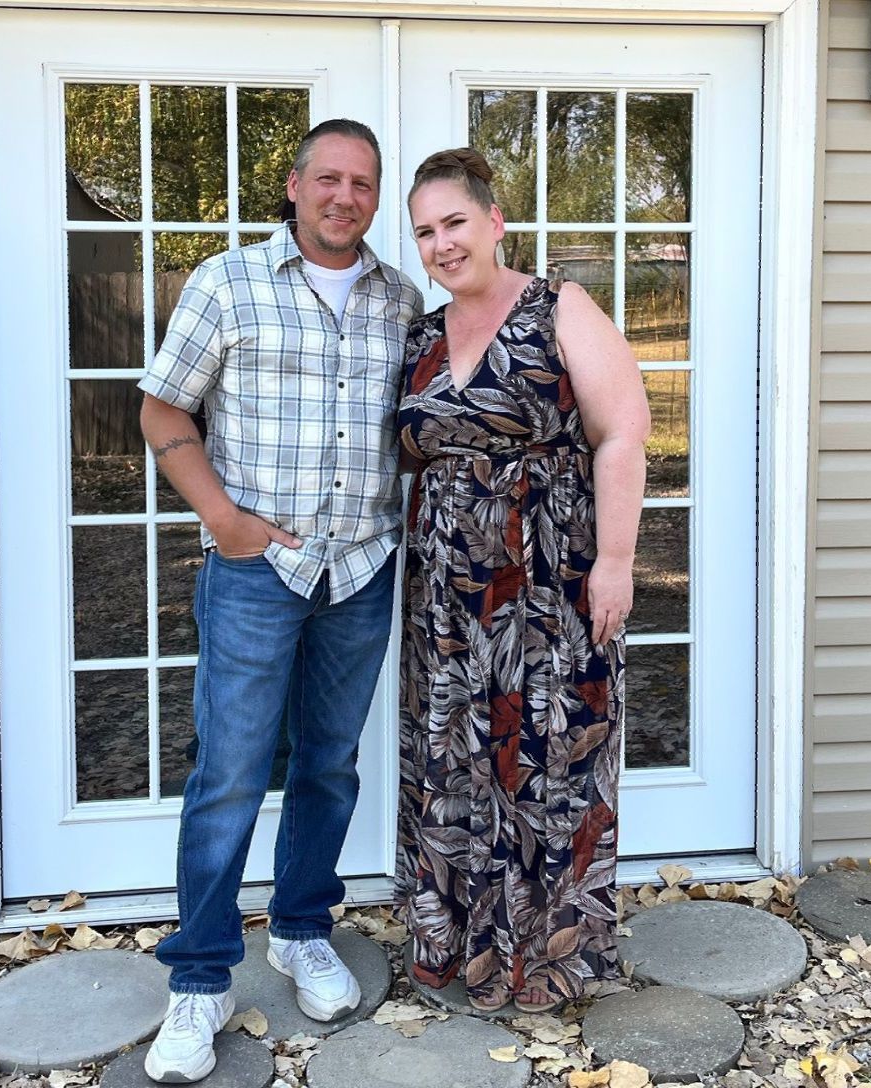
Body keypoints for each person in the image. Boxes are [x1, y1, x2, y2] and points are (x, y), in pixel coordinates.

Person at [138, 118, 422, 1082]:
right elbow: (162, 406)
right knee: (228, 770)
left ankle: (302, 930)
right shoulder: (228, 282)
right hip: (258, 570)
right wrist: (222, 518)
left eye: (364, 183)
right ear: (295, 186)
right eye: (329, 178)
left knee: (329, 765)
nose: (346, 196)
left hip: (363, 567)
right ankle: (200, 977)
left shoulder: (400, 297)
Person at [394, 148, 650, 1014]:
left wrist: (614, 561)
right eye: (425, 231)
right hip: (446, 603)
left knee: (547, 760)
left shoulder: (558, 306)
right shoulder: (422, 336)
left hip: (552, 584)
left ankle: (545, 957)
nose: (440, 244)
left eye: (454, 223)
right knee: (455, 759)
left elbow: (622, 432)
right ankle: (459, 947)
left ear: (494, 222)